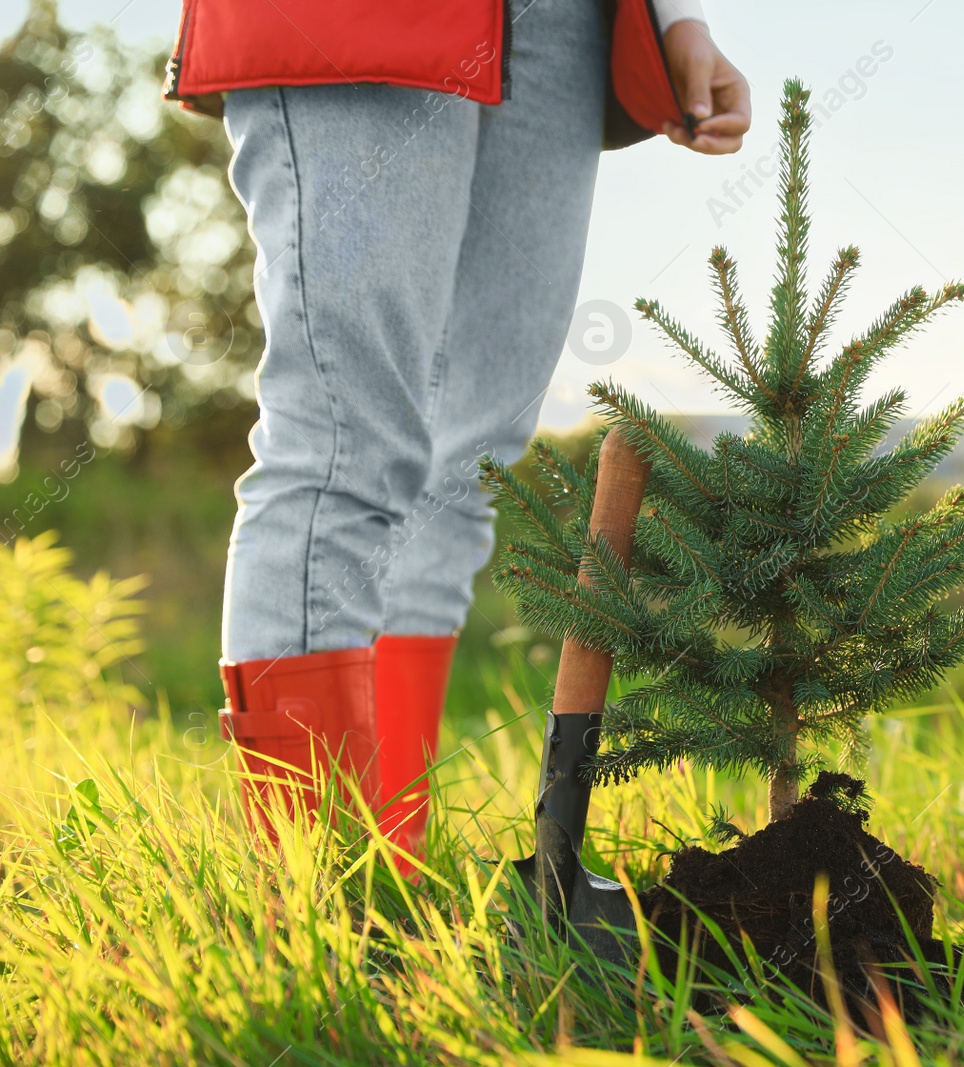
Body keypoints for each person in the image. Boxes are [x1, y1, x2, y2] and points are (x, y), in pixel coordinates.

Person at [164, 0, 750, 864]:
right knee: (343, 441)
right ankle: (315, 903)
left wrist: (679, 18)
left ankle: (390, 865)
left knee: (466, 472)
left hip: (563, 25)